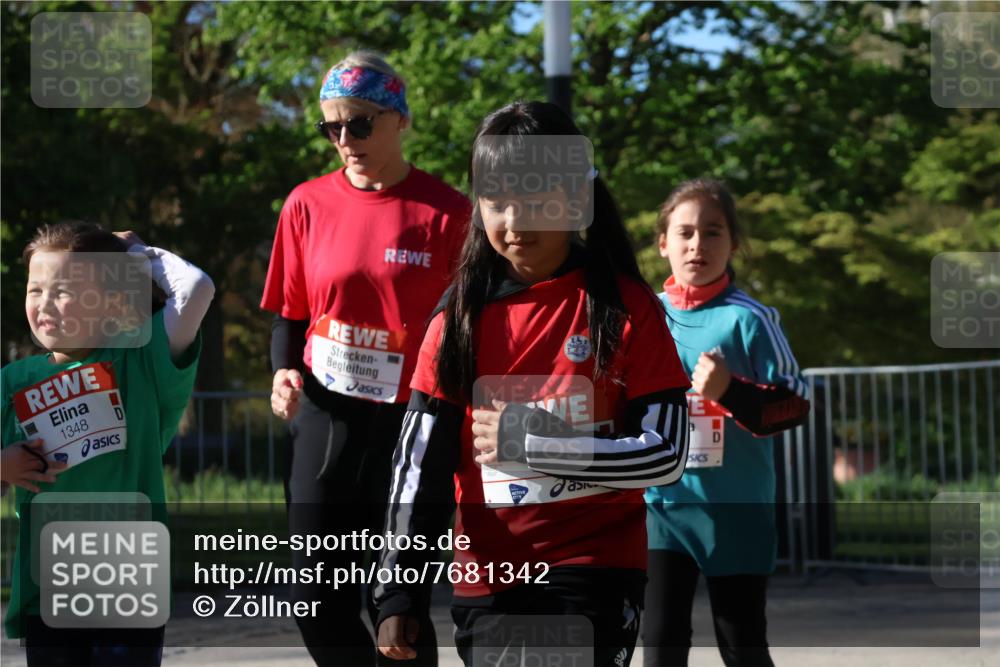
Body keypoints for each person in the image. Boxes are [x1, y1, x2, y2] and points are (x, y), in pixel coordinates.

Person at [374, 101, 691, 667]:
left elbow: (664, 455)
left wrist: (543, 444)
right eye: (496, 202)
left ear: (575, 199)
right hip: (488, 576)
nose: (515, 222)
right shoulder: (456, 322)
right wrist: (400, 589)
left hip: (594, 568)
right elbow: (418, 467)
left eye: (534, 199)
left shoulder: (625, 306)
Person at [260, 50, 469, 666]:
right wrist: (282, 370)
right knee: (310, 593)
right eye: (331, 127)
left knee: (396, 606)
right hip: (326, 416)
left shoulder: (449, 212)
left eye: (359, 123)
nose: (344, 139)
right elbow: (290, 313)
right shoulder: (305, 204)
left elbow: (469, 328)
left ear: (399, 118)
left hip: (414, 424)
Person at [1, 221, 214, 665]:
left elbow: (195, 288)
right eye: (35, 289)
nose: (45, 304)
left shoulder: (138, 359)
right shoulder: (12, 382)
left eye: (63, 291)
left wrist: (137, 256)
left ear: (112, 301)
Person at [643, 178, 811, 666]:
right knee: (660, 641)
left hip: (735, 510)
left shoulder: (751, 319)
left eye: (713, 232)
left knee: (741, 644)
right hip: (663, 507)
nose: (698, 245)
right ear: (663, 243)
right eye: (685, 232)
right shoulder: (645, 315)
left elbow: (796, 406)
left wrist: (729, 391)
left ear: (733, 244)